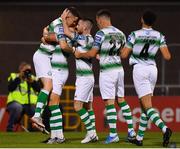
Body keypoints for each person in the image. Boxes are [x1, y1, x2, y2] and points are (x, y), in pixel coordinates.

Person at [75, 9, 136, 144]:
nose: (97, 24)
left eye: (97, 22)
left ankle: (113, 134)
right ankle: (131, 131)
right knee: (121, 100)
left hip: (107, 71)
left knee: (109, 103)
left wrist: (80, 55)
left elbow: (91, 53)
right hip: (119, 69)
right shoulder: (120, 33)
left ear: (101, 19)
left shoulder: (101, 34)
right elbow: (122, 52)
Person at [121, 10, 172, 147]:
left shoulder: (134, 34)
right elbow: (167, 56)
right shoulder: (159, 35)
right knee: (144, 105)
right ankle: (139, 138)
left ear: (142, 20)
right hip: (152, 70)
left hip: (140, 70)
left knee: (147, 106)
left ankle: (164, 129)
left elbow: (124, 55)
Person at [31, 7, 80, 138]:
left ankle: (55, 135)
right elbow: (50, 39)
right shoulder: (60, 25)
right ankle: (39, 119)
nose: (75, 25)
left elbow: (46, 37)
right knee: (50, 91)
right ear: (68, 17)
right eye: (74, 22)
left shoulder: (74, 32)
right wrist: (49, 37)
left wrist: (47, 36)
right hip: (44, 58)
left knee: (53, 100)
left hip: (57, 66)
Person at [60, 9, 98, 143]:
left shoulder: (85, 38)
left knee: (77, 106)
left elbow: (66, 32)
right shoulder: (88, 39)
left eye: (79, 24)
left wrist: (63, 19)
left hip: (84, 78)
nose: (77, 26)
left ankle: (91, 132)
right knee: (89, 107)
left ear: (86, 27)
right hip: (88, 77)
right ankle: (94, 134)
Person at [6, 62, 40, 132]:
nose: (27, 72)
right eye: (25, 70)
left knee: (36, 111)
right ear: (20, 70)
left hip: (29, 104)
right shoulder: (14, 76)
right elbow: (10, 88)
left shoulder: (33, 78)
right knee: (17, 107)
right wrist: (19, 78)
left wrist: (32, 82)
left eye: (29, 70)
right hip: (15, 103)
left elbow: (38, 89)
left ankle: (34, 130)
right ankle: (10, 128)